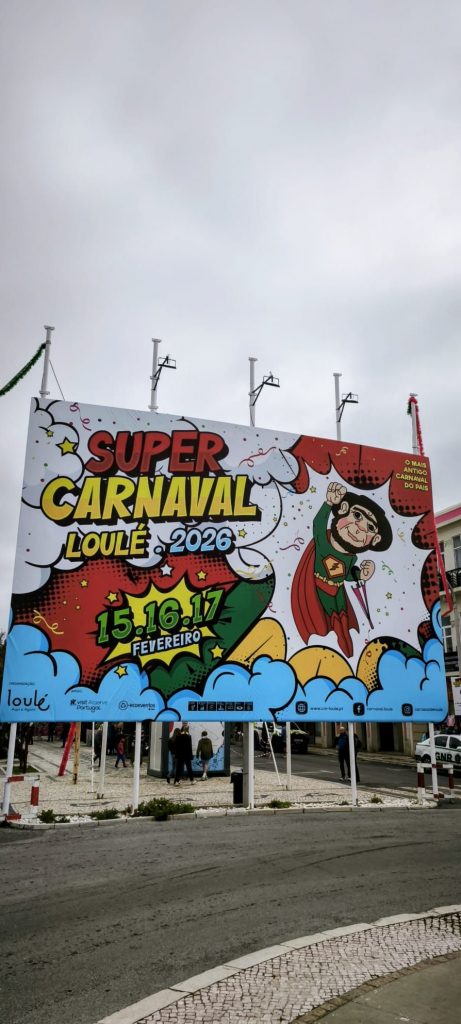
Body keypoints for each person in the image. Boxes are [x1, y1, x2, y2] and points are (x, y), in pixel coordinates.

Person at [292, 481, 392, 657]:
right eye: (357, 515)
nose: (360, 527)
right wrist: (328, 503)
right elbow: (318, 524)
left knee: (342, 628)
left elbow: (347, 574)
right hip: (317, 591)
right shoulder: (323, 542)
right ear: (343, 509)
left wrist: (362, 574)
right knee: (321, 625)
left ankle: (348, 655)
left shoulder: (351, 557)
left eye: (370, 527)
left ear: (375, 539)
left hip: (337, 597)